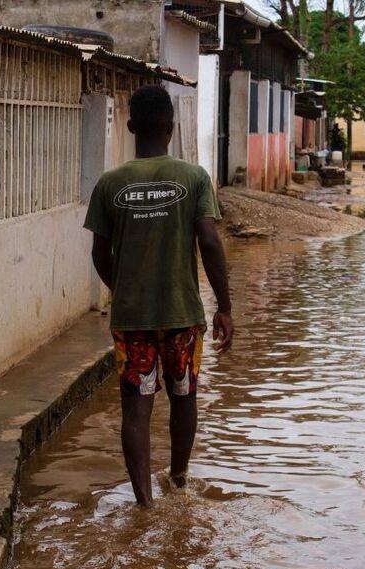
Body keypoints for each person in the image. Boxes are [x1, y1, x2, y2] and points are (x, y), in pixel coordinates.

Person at [84, 85, 233, 507]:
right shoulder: (194, 177)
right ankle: (180, 481)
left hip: (132, 320)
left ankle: (145, 504)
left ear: (131, 127)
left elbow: (99, 252)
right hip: (183, 313)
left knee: (136, 408)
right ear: (172, 127)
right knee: (184, 395)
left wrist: (125, 289)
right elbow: (209, 241)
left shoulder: (110, 183)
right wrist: (224, 306)